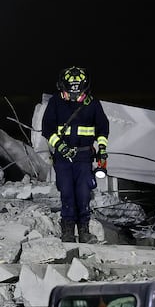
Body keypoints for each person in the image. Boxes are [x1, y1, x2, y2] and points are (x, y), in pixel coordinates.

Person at [41, 66, 109, 243]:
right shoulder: (55, 102)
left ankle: (84, 231)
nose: (73, 96)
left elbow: (103, 129)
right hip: (63, 158)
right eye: (69, 92)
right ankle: (68, 231)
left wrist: (102, 149)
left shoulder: (93, 104)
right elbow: (47, 129)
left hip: (84, 157)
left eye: (78, 93)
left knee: (83, 193)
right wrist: (60, 146)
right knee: (67, 193)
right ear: (62, 87)